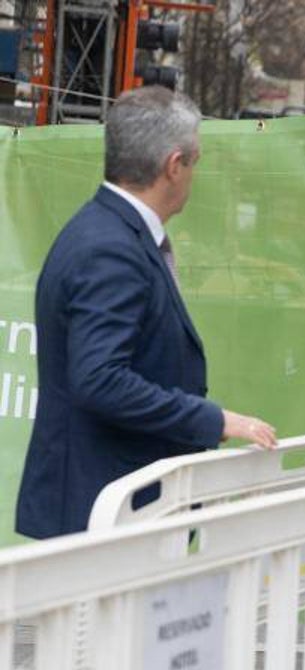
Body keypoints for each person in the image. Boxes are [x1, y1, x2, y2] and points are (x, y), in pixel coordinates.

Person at [16, 86, 276, 540]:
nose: (194, 173)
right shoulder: (109, 248)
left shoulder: (106, 232)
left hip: (106, 508)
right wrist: (213, 421)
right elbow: (100, 379)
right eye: (195, 161)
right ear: (174, 165)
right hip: (102, 515)